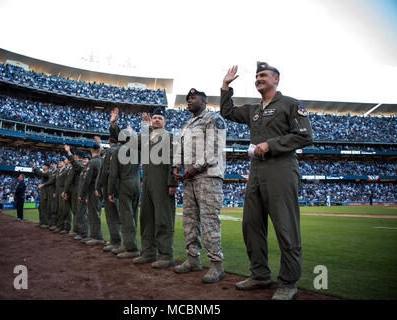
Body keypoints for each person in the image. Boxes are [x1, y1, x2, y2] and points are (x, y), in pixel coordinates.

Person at [220, 62, 314, 300]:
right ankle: (260, 274)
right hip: (256, 171)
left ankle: (288, 282)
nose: (258, 78)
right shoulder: (253, 109)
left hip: (281, 169)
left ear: (276, 79)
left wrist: (270, 145)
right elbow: (227, 112)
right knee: (251, 225)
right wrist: (225, 86)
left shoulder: (291, 104)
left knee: (285, 227)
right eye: (257, 76)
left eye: (263, 75)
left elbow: (305, 136)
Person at [110, 107, 178, 268]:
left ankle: (166, 255)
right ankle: (148, 252)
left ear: (164, 122)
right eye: (154, 117)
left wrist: (172, 183)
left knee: (163, 219)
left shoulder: (169, 136)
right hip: (146, 183)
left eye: (159, 118)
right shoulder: (146, 137)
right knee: (146, 218)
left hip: (162, 182)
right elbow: (125, 140)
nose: (156, 120)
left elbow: (174, 160)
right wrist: (114, 125)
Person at [172, 88, 226, 283]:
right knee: (189, 221)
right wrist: (176, 166)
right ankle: (193, 259)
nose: (188, 100)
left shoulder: (213, 118)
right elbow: (180, 148)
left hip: (208, 177)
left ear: (204, 101)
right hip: (189, 178)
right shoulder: (186, 124)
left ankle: (216, 265)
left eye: (193, 97)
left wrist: (195, 168)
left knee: (209, 221)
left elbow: (214, 148)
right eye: (187, 98)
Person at [108, 109, 141, 259]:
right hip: (137, 182)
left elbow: (113, 175)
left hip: (125, 184)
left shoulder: (117, 151)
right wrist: (131, 132)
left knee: (126, 216)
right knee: (133, 214)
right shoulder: (136, 149)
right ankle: (128, 244)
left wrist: (110, 192)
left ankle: (131, 247)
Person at [96, 134, 122, 252]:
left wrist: (99, 185)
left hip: (110, 185)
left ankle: (115, 241)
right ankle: (116, 240)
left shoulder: (111, 151)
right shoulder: (120, 149)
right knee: (116, 214)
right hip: (119, 185)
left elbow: (105, 170)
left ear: (109, 141)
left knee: (112, 215)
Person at [81, 138, 105, 245]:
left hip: (92, 190)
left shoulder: (92, 162)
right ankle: (94, 235)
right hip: (100, 189)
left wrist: (82, 194)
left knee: (93, 213)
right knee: (96, 212)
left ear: (91, 151)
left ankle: (97, 236)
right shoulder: (102, 160)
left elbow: (87, 180)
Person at [64, 145, 89, 240]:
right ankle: (77, 230)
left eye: (74, 155)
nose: (73, 157)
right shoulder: (78, 164)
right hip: (75, 191)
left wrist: (69, 152)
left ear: (77, 156)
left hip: (79, 191)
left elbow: (75, 164)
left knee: (80, 213)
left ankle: (83, 232)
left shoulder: (81, 164)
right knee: (76, 212)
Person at [30, 162, 51, 228]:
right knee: (40, 208)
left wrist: (35, 168)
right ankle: (41, 222)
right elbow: (39, 175)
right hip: (42, 192)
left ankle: (46, 223)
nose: (42, 166)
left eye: (44, 165)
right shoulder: (44, 174)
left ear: (47, 167)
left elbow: (41, 174)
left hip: (46, 193)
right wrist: (35, 169)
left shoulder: (48, 173)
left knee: (44, 208)